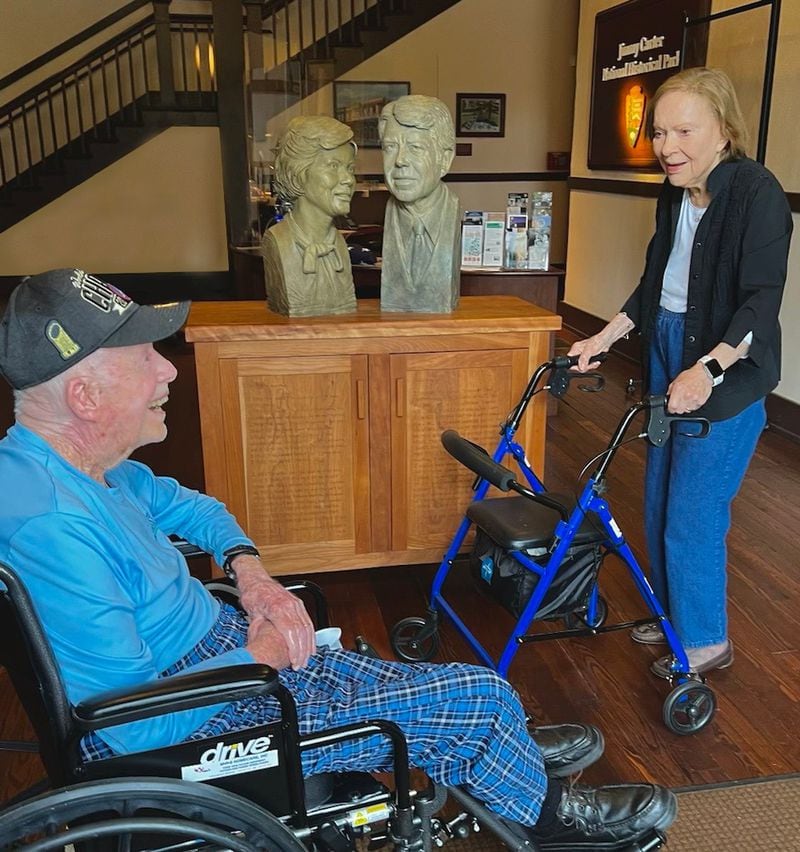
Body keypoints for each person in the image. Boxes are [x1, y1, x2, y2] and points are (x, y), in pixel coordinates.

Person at [0, 269, 677, 849]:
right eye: (145, 356)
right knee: (481, 697)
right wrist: (262, 652)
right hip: (197, 717)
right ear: (84, 397)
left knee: (408, 682)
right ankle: (552, 821)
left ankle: (501, 749)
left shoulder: (77, 467)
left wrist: (252, 575)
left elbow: (198, 510)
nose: (169, 367)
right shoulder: (53, 525)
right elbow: (138, 726)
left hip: (218, 655)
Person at [568, 68, 792, 679]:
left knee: (694, 510)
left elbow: (759, 303)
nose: (668, 147)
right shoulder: (676, 193)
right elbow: (655, 286)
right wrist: (604, 336)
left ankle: (704, 641)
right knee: (660, 491)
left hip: (726, 364)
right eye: (661, 132)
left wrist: (707, 370)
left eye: (685, 131)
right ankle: (673, 617)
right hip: (670, 344)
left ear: (724, 131)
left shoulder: (756, 192)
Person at [261, 116, 358, 317]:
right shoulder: (278, 241)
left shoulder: (339, 244)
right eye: (333, 166)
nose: (348, 179)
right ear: (299, 174)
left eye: (350, 168)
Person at [378, 95, 461, 313]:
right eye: (390, 147)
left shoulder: (451, 211)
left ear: (445, 159)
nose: (400, 160)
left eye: (415, 147)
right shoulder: (389, 213)